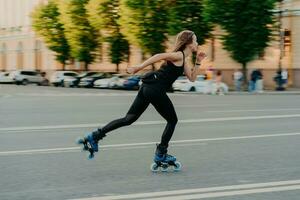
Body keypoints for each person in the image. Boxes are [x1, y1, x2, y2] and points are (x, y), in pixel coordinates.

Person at [78, 30, 206, 163]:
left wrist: (198, 61)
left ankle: (94, 137)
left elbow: (192, 78)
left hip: (147, 87)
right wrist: (138, 68)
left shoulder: (183, 60)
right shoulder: (178, 55)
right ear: (188, 43)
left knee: (128, 119)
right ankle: (161, 153)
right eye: (195, 40)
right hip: (155, 89)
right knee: (172, 120)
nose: (197, 43)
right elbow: (158, 56)